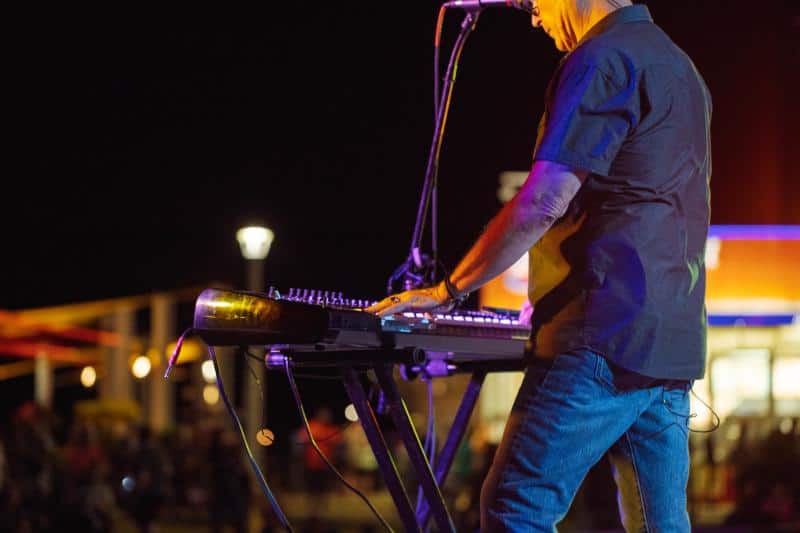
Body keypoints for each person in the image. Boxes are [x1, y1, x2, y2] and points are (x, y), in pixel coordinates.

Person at [367, 0, 711, 530]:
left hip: (599, 333)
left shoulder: (603, 58)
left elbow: (544, 201)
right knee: (660, 524)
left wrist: (447, 290)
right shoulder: (681, 65)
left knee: (515, 508)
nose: (533, 16)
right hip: (671, 342)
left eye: (536, 2)